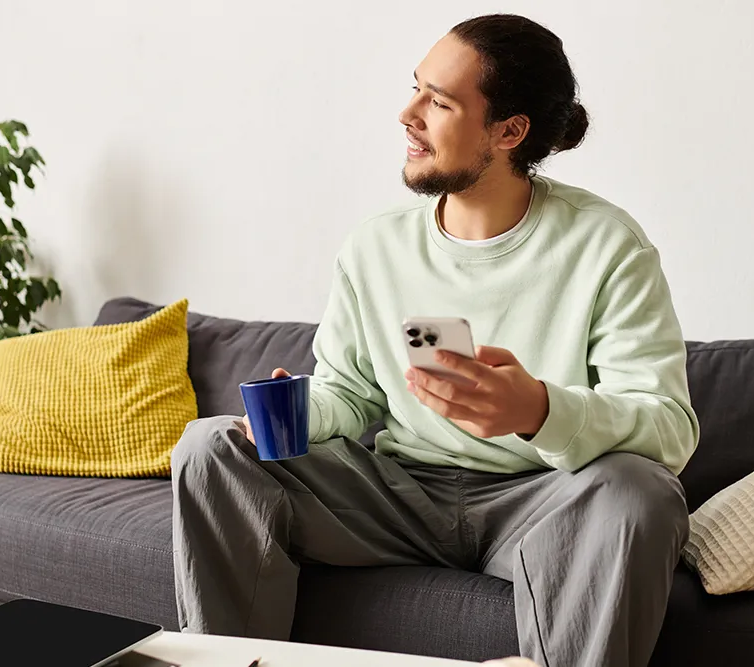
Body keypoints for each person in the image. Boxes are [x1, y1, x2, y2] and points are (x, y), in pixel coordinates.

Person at [171, 13, 699, 667]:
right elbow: (351, 393)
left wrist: (538, 410)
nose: (407, 114)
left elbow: (669, 430)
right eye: (415, 87)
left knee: (640, 491)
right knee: (209, 445)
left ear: (510, 131)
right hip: (398, 495)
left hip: (539, 501)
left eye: (439, 101)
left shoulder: (607, 246)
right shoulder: (376, 247)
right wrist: (300, 410)